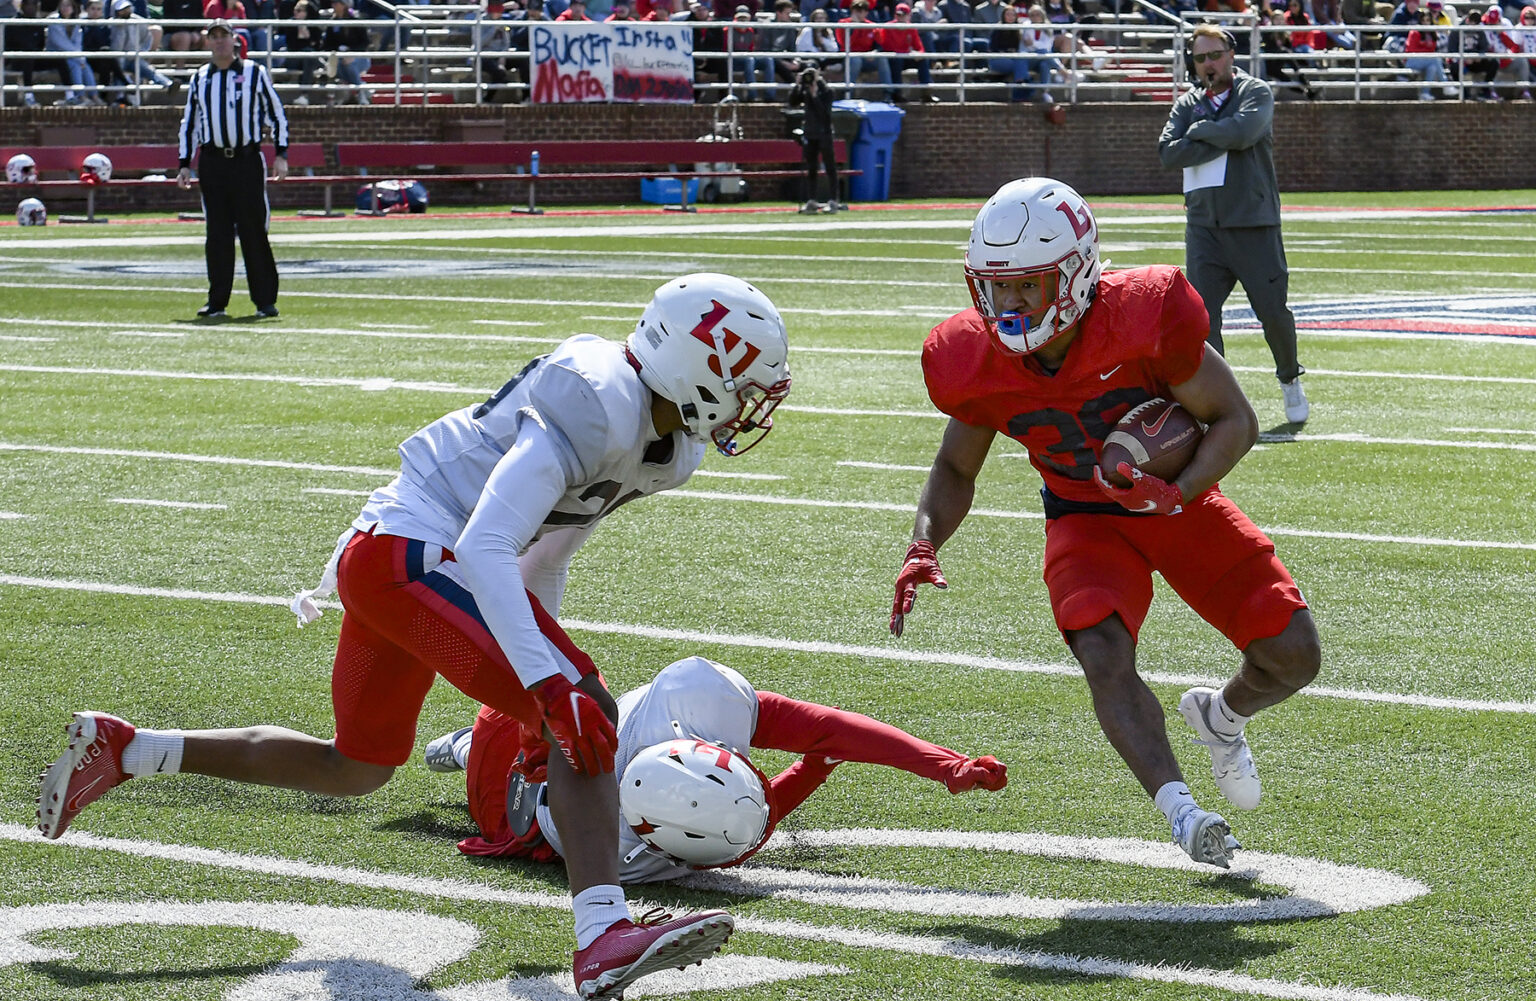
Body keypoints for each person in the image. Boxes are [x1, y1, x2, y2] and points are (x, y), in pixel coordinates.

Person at [38, 271, 792, 1001]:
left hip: (400, 559)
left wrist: (536, 688)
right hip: (412, 554)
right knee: (585, 706)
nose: (750, 407)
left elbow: (547, 550)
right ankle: (602, 938)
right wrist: (549, 688)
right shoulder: (597, 397)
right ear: (698, 364)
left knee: (357, 766)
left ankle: (130, 749)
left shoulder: (667, 447)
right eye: (747, 385)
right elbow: (489, 542)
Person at [888, 177, 1320, 870]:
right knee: (1104, 654)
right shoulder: (974, 356)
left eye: (1030, 284)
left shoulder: (1143, 316)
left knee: (1296, 654)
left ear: (1078, 271)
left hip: (1176, 502)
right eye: (998, 286)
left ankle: (1223, 715)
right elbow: (955, 468)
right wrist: (924, 540)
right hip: (1082, 519)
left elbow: (1233, 419)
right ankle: (1182, 813)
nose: (1011, 302)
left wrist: (1176, 491)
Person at [424, 657, 1008, 880]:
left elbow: (746, 821)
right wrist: (815, 765)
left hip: (531, 799)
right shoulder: (637, 847)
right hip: (537, 785)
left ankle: (469, 747)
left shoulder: (628, 852)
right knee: (532, 699)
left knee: (541, 696)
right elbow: (816, 747)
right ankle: (468, 746)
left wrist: (945, 767)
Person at [1158, 23, 1309, 425]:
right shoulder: (1187, 102)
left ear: (1231, 54)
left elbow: (1244, 132)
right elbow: (1168, 152)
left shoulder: (1254, 92)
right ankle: (1216, 403)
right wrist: (1209, 133)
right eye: (1201, 57)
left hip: (1253, 224)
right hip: (1205, 227)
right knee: (1202, 320)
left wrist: (1202, 132)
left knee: (1273, 312)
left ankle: (1290, 377)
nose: (1209, 64)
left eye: (1215, 54)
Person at [174, 18, 288, 319]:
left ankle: (265, 300)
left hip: (246, 160)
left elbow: (276, 114)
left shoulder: (254, 73)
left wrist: (281, 153)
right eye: (214, 37)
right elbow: (189, 123)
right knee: (218, 233)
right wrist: (185, 163)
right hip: (213, 162)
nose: (220, 42)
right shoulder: (200, 78)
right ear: (208, 42)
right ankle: (217, 301)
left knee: (253, 231)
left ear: (234, 40)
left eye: (224, 36)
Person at [788, 63, 840, 210]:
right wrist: (797, 86)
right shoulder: (804, 89)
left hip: (824, 133)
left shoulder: (827, 91)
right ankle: (812, 199)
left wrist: (815, 94)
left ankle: (833, 199)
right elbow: (792, 102)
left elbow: (825, 114)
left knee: (830, 166)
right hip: (810, 132)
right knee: (811, 167)